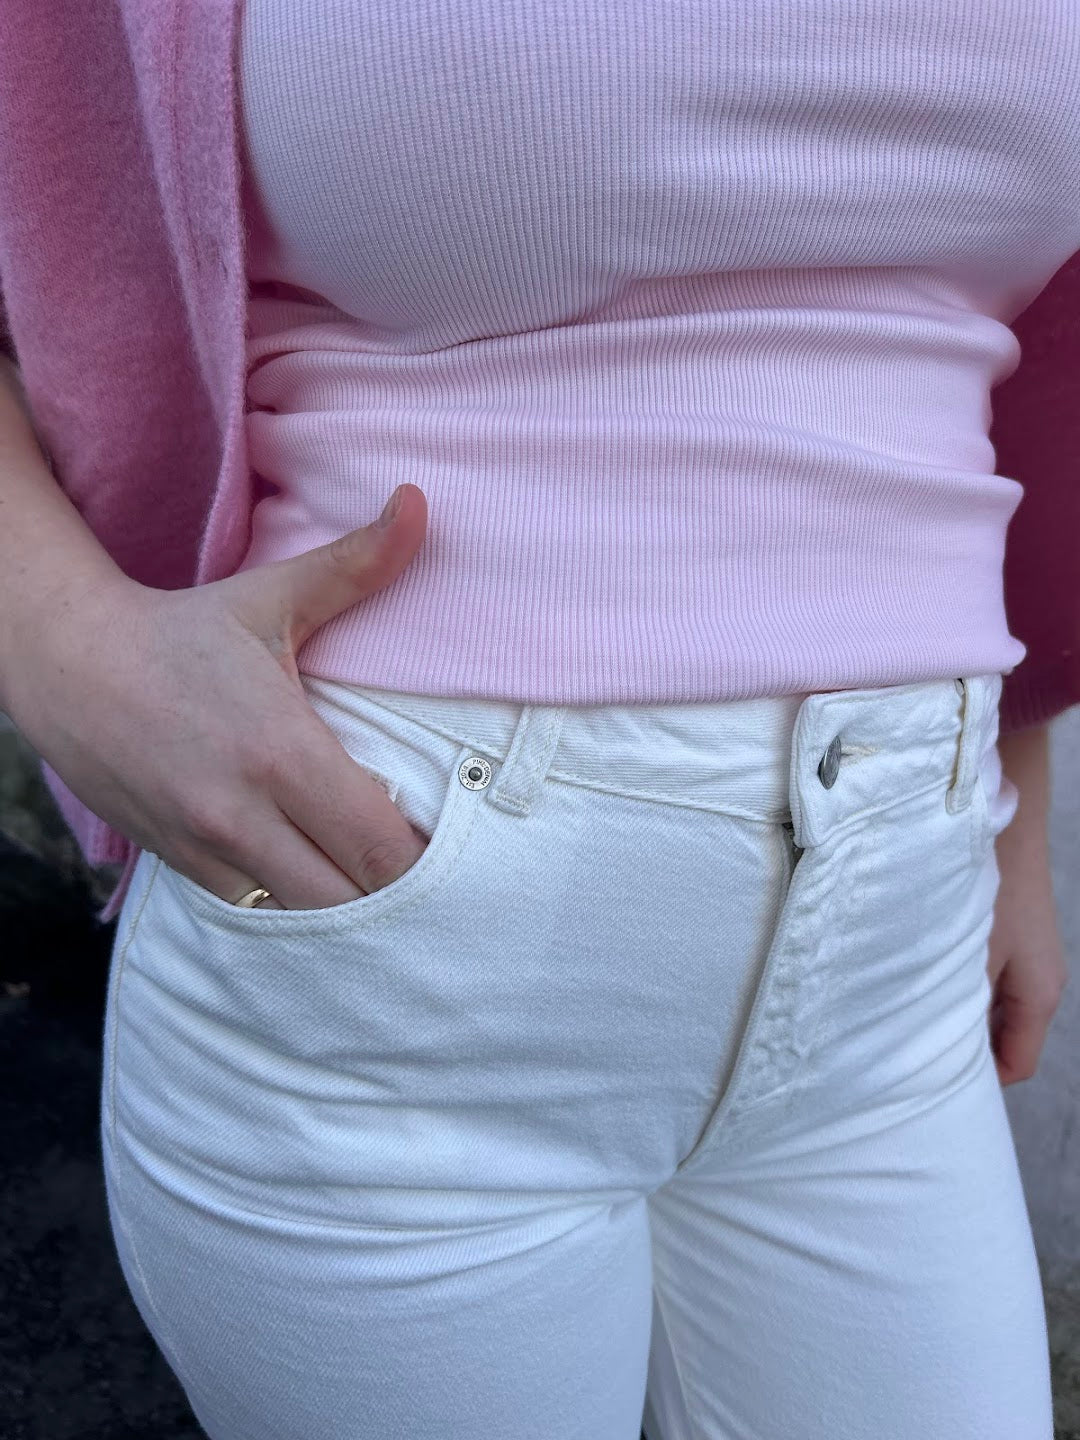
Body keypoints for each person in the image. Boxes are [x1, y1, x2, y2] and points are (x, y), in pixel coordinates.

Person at [0, 1, 1073, 1436]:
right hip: (388, 955)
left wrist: (1012, 790)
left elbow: (1028, 353)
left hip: (895, 954)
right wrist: (64, 651)